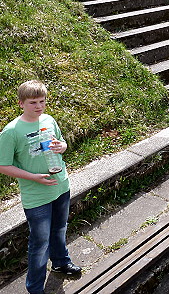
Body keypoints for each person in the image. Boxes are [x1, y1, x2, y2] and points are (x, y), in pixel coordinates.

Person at [0, 80, 81, 294]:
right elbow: (3, 165)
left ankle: (61, 262)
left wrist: (62, 146)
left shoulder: (49, 120)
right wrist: (33, 177)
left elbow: (61, 143)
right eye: (33, 102)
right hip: (36, 196)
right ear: (21, 104)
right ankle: (35, 288)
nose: (39, 106)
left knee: (60, 229)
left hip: (60, 185)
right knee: (40, 242)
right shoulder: (11, 131)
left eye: (42, 101)